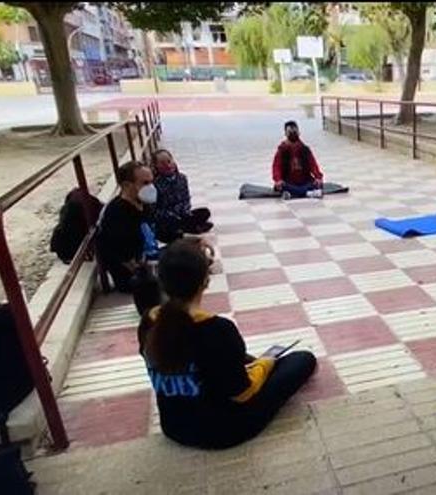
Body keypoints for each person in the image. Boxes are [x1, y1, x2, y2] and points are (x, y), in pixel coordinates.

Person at [138, 238, 317, 449]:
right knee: (302, 360)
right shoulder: (217, 329)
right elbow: (243, 394)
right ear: (205, 281)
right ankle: (263, 364)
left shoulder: (149, 321)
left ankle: (253, 364)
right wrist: (265, 365)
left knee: (237, 360)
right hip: (225, 430)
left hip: (174, 426)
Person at [96, 161, 158, 293]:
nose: (151, 187)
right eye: (145, 183)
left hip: (149, 258)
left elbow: (155, 231)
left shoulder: (143, 204)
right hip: (132, 275)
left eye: (151, 182)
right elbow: (116, 253)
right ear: (126, 185)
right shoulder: (116, 213)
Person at [151, 149, 213, 244]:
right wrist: (172, 215)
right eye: (162, 163)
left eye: (169, 161)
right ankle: (191, 228)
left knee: (205, 212)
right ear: (156, 166)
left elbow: (186, 198)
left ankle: (188, 227)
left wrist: (185, 211)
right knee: (164, 229)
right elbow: (155, 210)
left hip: (183, 214)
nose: (167, 165)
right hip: (168, 218)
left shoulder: (182, 178)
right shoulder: (155, 184)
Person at [272, 121, 324, 200]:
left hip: (305, 181)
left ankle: (293, 194)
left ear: (298, 133)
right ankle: (307, 193)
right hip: (288, 182)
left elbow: (313, 165)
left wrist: (318, 177)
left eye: (294, 131)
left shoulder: (305, 149)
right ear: (286, 134)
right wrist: (278, 180)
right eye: (290, 132)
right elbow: (276, 167)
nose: (293, 134)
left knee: (318, 184)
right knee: (280, 186)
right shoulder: (282, 150)